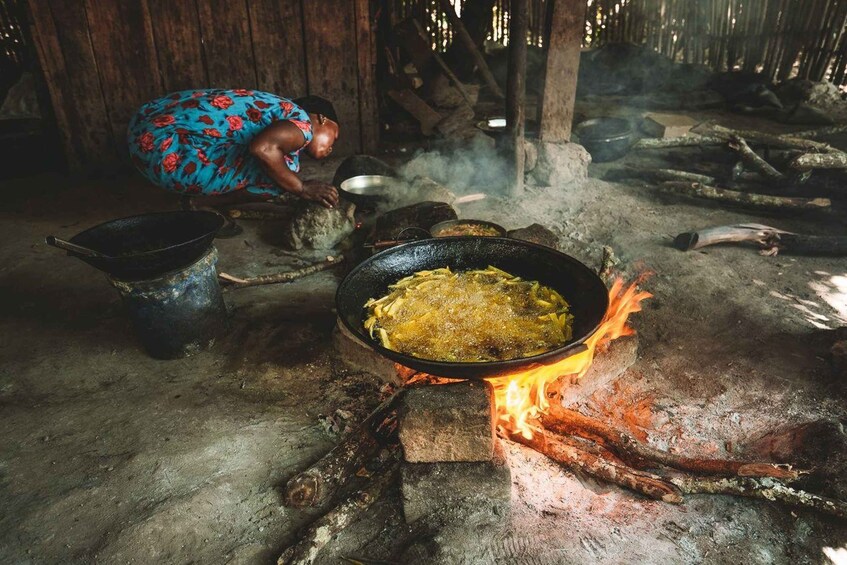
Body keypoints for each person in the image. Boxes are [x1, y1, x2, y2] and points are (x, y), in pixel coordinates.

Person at [127, 90, 340, 211]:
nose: (331, 148)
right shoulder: (301, 121)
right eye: (334, 137)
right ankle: (201, 205)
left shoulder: (272, 108)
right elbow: (263, 148)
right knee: (281, 179)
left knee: (282, 169)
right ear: (321, 118)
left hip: (144, 133)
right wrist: (302, 188)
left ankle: (196, 203)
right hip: (163, 149)